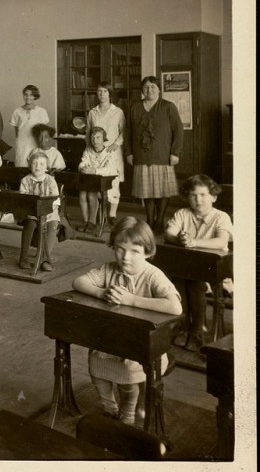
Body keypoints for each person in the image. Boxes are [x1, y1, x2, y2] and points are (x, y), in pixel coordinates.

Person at [73, 217, 182, 424]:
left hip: (142, 345)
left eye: (135, 251)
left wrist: (131, 300)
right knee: (97, 370)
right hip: (110, 340)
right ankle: (109, 408)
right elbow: (78, 281)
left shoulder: (152, 275)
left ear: (148, 253)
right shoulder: (109, 269)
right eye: (120, 249)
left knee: (127, 380)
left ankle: (128, 414)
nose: (126, 257)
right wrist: (101, 292)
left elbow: (175, 306)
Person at [164, 174, 233, 352]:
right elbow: (169, 233)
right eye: (193, 195)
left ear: (214, 197)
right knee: (177, 282)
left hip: (215, 274)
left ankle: (197, 331)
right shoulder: (182, 214)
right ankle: (184, 326)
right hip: (186, 269)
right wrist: (179, 238)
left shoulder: (221, 217)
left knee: (195, 284)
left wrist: (195, 242)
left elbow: (220, 241)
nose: (198, 199)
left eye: (203, 195)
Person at [126, 75, 184, 233]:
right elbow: (128, 132)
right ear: (142, 90)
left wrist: (175, 152)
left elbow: (178, 130)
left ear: (159, 89)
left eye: (152, 87)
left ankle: (160, 220)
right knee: (147, 191)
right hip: (141, 156)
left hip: (162, 155)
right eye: (146, 87)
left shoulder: (168, 106)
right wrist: (129, 152)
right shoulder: (135, 107)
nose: (149, 89)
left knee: (163, 190)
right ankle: (150, 219)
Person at [85, 82, 126, 221]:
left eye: (105, 91)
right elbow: (88, 133)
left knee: (113, 182)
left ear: (110, 94)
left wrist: (116, 143)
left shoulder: (118, 112)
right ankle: (98, 213)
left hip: (112, 151)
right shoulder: (92, 112)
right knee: (96, 181)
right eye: (99, 91)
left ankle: (112, 214)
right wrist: (89, 148)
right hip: (96, 152)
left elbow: (124, 131)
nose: (102, 94)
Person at [18, 152, 60, 271]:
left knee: (53, 224)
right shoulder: (25, 181)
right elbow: (24, 199)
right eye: (34, 163)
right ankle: (23, 257)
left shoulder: (50, 180)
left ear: (46, 167)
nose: (37, 166)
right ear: (30, 165)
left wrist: (48, 211)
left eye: (41, 164)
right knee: (30, 223)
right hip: (31, 212)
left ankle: (45, 258)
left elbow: (55, 200)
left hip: (49, 212)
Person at [78, 126, 120, 235]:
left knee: (92, 194)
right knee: (82, 194)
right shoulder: (88, 150)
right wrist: (84, 168)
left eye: (98, 138)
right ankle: (86, 221)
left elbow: (110, 170)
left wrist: (94, 170)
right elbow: (82, 163)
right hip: (92, 181)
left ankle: (93, 221)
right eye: (93, 138)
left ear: (103, 139)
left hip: (108, 182)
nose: (95, 141)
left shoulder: (109, 151)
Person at [10, 85, 50, 169]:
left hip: (36, 143)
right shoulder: (17, 111)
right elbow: (17, 131)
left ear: (35, 96)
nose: (28, 97)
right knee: (21, 166)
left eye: (31, 95)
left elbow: (44, 132)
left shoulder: (41, 111)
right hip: (22, 144)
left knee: (36, 166)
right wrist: (20, 142)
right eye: (26, 94)